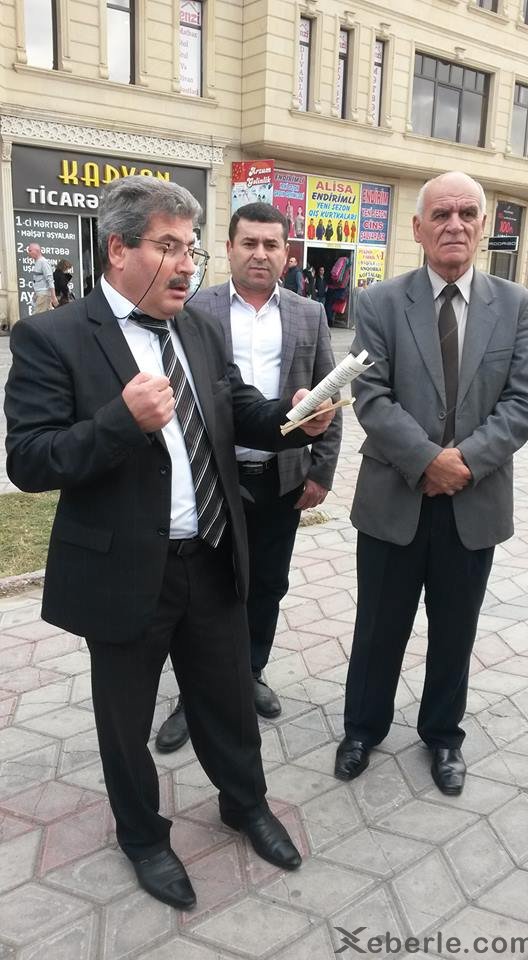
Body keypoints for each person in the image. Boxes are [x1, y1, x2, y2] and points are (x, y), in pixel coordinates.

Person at [5, 176, 335, 911]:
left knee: (229, 700)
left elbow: (235, 408)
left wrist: (294, 418)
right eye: (169, 247)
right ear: (118, 250)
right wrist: (118, 422)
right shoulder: (53, 336)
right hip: (125, 571)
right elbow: (27, 460)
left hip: (211, 552)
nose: (188, 265)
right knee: (126, 722)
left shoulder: (197, 328)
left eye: (192, 249)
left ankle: (244, 803)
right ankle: (143, 837)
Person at [335, 171, 528, 796]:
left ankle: (444, 736)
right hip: (394, 497)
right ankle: (363, 728)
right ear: (418, 228)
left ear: (483, 226)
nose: (455, 224)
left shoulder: (517, 305)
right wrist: (428, 460)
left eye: (467, 213)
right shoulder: (379, 303)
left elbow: (523, 401)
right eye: (442, 215)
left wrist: (462, 464)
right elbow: (371, 396)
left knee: (456, 628)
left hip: (473, 501)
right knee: (379, 624)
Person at [155, 201, 342, 752]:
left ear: (286, 253)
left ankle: (251, 671)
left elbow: (327, 393)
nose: (260, 254)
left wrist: (321, 471)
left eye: (271, 244)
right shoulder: (194, 308)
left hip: (281, 479)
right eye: (249, 243)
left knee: (267, 584)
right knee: (204, 590)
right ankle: (193, 696)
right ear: (229, 248)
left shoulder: (309, 314)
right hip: (211, 477)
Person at [27, 243, 58, 313]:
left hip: (43, 295)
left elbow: (50, 280)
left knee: (37, 317)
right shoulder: (38, 262)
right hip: (40, 294)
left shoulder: (43, 262)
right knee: (45, 316)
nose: (28, 253)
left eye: (30, 250)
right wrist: (35, 294)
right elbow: (38, 281)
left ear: (37, 251)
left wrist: (53, 297)